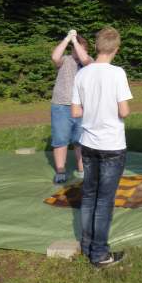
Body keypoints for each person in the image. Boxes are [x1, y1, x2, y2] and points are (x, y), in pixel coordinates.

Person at [71, 27, 133, 269]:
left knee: (88, 196)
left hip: (88, 143)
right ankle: (99, 254)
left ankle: (87, 245)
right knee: (104, 201)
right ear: (116, 49)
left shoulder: (82, 74)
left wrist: (94, 111)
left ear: (96, 47)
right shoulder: (117, 73)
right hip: (112, 145)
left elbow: (75, 111)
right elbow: (124, 111)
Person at [50, 30, 93, 184]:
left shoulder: (90, 61)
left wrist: (76, 42)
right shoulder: (65, 60)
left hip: (82, 107)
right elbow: (54, 57)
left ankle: (82, 170)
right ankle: (60, 170)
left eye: (80, 47)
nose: (76, 50)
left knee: (80, 140)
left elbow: (86, 60)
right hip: (61, 106)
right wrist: (68, 38)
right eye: (74, 47)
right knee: (60, 140)